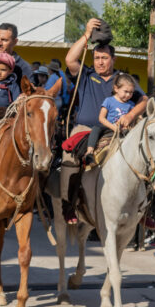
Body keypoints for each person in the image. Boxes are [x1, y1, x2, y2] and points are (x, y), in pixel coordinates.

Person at [61, 18, 148, 223]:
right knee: (69, 159)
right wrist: (86, 34)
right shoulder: (85, 74)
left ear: (113, 59)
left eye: (104, 58)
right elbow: (69, 60)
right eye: (97, 57)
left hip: (117, 131)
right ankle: (68, 204)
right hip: (85, 129)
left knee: (145, 159)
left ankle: (144, 209)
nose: (100, 62)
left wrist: (130, 115)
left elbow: (144, 99)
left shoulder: (123, 80)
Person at [84, 73, 136, 168]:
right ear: (116, 89)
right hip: (108, 127)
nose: (128, 95)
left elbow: (135, 119)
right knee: (96, 128)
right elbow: (101, 118)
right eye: (126, 91)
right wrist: (113, 127)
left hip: (124, 130)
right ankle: (90, 151)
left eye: (131, 92)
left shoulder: (131, 105)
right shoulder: (109, 101)